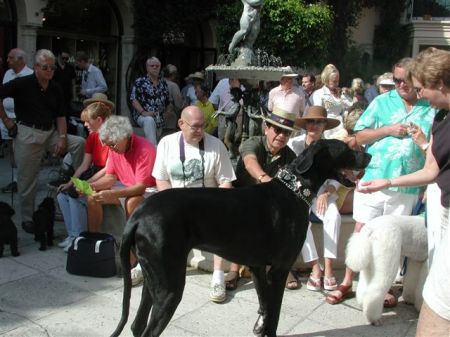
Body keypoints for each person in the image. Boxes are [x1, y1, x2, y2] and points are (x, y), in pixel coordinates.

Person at [325, 57, 437, 306]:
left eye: (405, 80)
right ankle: (347, 282)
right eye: (395, 80)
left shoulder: (431, 106)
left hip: (407, 183)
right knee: (362, 229)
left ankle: (381, 286)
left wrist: (428, 186)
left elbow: (435, 150)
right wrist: (387, 129)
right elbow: (359, 135)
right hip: (375, 177)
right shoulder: (382, 102)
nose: (400, 85)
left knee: (391, 239)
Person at [357, 47, 450, 336]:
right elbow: (432, 170)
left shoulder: (432, 111)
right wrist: (386, 182)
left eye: (420, 87)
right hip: (441, 210)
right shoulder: (440, 116)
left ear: (441, 84)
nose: (417, 93)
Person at [152, 105, 236, 303]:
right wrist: (169, 202)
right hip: (176, 201)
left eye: (203, 126)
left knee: (221, 221)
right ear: (181, 124)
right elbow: (161, 179)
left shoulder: (216, 145)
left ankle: (218, 275)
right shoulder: (166, 143)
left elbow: (225, 181)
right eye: (195, 127)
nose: (200, 131)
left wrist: (218, 204)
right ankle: (150, 268)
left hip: (208, 204)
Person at [0, 49, 85, 232]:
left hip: (49, 132)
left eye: (52, 68)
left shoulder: (55, 87)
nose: (49, 71)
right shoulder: (22, 83)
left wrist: (62, 137)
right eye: (45, 67)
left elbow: (61, 115)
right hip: (27, 133)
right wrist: (7, 121)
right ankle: (27, 218)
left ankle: (76, 182)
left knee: (78, 142)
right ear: (36, 67)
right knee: (27, 179)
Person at [233, 107, 300, 289]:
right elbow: (250, 162)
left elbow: (291, 182)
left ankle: (282, 267)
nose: (281, 136)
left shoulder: (289, 155)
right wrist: (265, 178)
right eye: (277, 130)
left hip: (268, 203)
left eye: (286, 133)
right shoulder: (253, 142)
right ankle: (233, 270)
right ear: (266, 128)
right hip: (242, 198)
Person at [288, 106, 348, 292]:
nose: (314, 125)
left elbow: (338, 175)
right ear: (305, 124)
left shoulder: (331, 147)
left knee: (333, 216)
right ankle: (315, 267)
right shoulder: (294, 145)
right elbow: (289, 173)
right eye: (311, 121)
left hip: (323, 192)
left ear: (325, 125)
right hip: (300, 193)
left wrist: (327, 191)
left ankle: (328, 268)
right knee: (299, 219)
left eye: (319, 121)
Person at [56, 99, 113, 251]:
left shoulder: (112, 137)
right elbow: (84, 164)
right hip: (96, 173)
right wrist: (71, 182)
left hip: (110, 177)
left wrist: (85, 183)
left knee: (77, 195)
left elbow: (110, 169)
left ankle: (78, 237)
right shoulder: (93, 137)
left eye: (88, 121)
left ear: (99, 120)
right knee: (62, 195)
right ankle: (72, 235)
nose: (85, 125)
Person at [0, 48, 33, 194]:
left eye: (10, 58)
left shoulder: (30, 75)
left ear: (20, 59)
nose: (7, 60)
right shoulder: (8, 73)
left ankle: (22, 181)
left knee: (21, 152)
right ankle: (15, 180)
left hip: (22, 119)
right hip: (6, 118)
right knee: (12, 152)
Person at [130, 57, 170, 145]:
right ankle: (153, 150)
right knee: (149, 120)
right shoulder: (140, 82)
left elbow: (168, 101)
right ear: (147, 68)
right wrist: (143, 112)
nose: (155, 68)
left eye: (157, 66)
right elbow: (133, 99)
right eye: (152, 66)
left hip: (160, 118)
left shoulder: (163, 83)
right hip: (143, 116)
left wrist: (167, 112)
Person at [311, 64, 347, 138]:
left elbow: (343, 110)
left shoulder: (340, 94)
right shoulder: (319, 94)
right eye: (334, 81)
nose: (337, 84)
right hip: (326, 129)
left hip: (339, 128)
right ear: (326, 79)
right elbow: (318, 113)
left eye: (338, 81)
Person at [214, 87, 242, 158]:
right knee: (229, 139)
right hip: (229, 123)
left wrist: (221, 112)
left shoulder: (237, 105)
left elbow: (231, 114)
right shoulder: (234, 104)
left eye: (232, 95)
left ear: (236, 95)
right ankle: (232, 152)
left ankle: (233, 153)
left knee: (227, 139)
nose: (230, 97)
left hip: (232, 124)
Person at [53, 51, 76, 117]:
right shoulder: (54, 67)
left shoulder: (70, 68)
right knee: (56, 114)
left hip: (67, 96)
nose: (64, 60)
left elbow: (73, 83)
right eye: (63, 58)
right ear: (59, 56)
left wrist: (74, 95)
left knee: (67, 115)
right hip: (56, 95)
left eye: (66, 58)